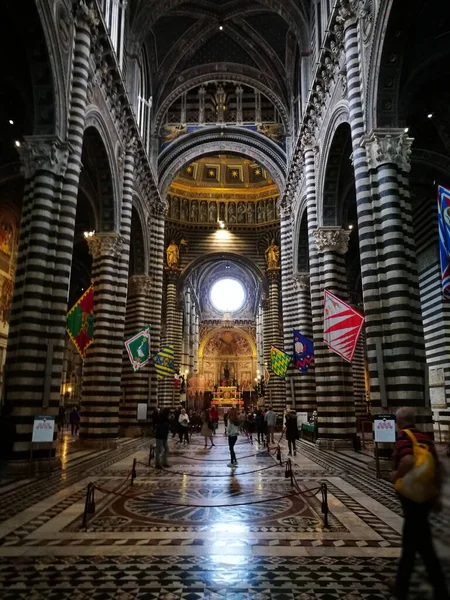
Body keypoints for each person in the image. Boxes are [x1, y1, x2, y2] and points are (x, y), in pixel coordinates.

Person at [390, 407, 449, 600]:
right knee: (421, 541)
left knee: (413, 542)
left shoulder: (404, 438)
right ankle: (434, 584)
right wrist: (438, 495)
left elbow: (406, 459)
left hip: (411, 496)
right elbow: (438, 468)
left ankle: (403, 587)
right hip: (426, 495)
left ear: (398, 421)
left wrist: (396, 475)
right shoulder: (425, 438)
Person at [0, 403, 16, 480]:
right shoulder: (11, 423)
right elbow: (13, 437)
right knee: (3, 468)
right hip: (6, 451)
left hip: (4, 449)